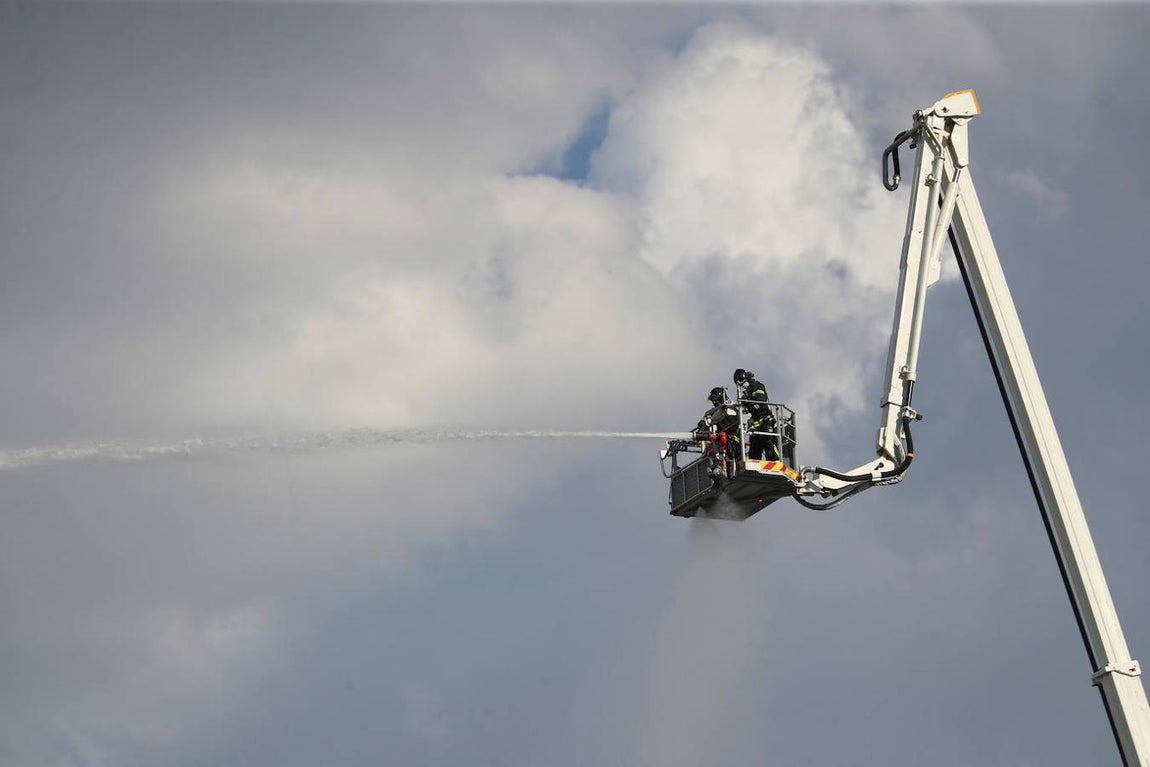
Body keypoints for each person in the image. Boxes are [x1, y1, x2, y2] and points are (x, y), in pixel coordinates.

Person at [734, 368, 778, 460]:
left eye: (742, 383)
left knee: (769, 445)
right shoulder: (747, 393)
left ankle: (776, 462)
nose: (742, 386)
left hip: (766, 421)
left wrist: (747, 407)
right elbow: (744, 407)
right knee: (754, 452)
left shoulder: (757, 386)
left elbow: (760, 402)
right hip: (756, 425)